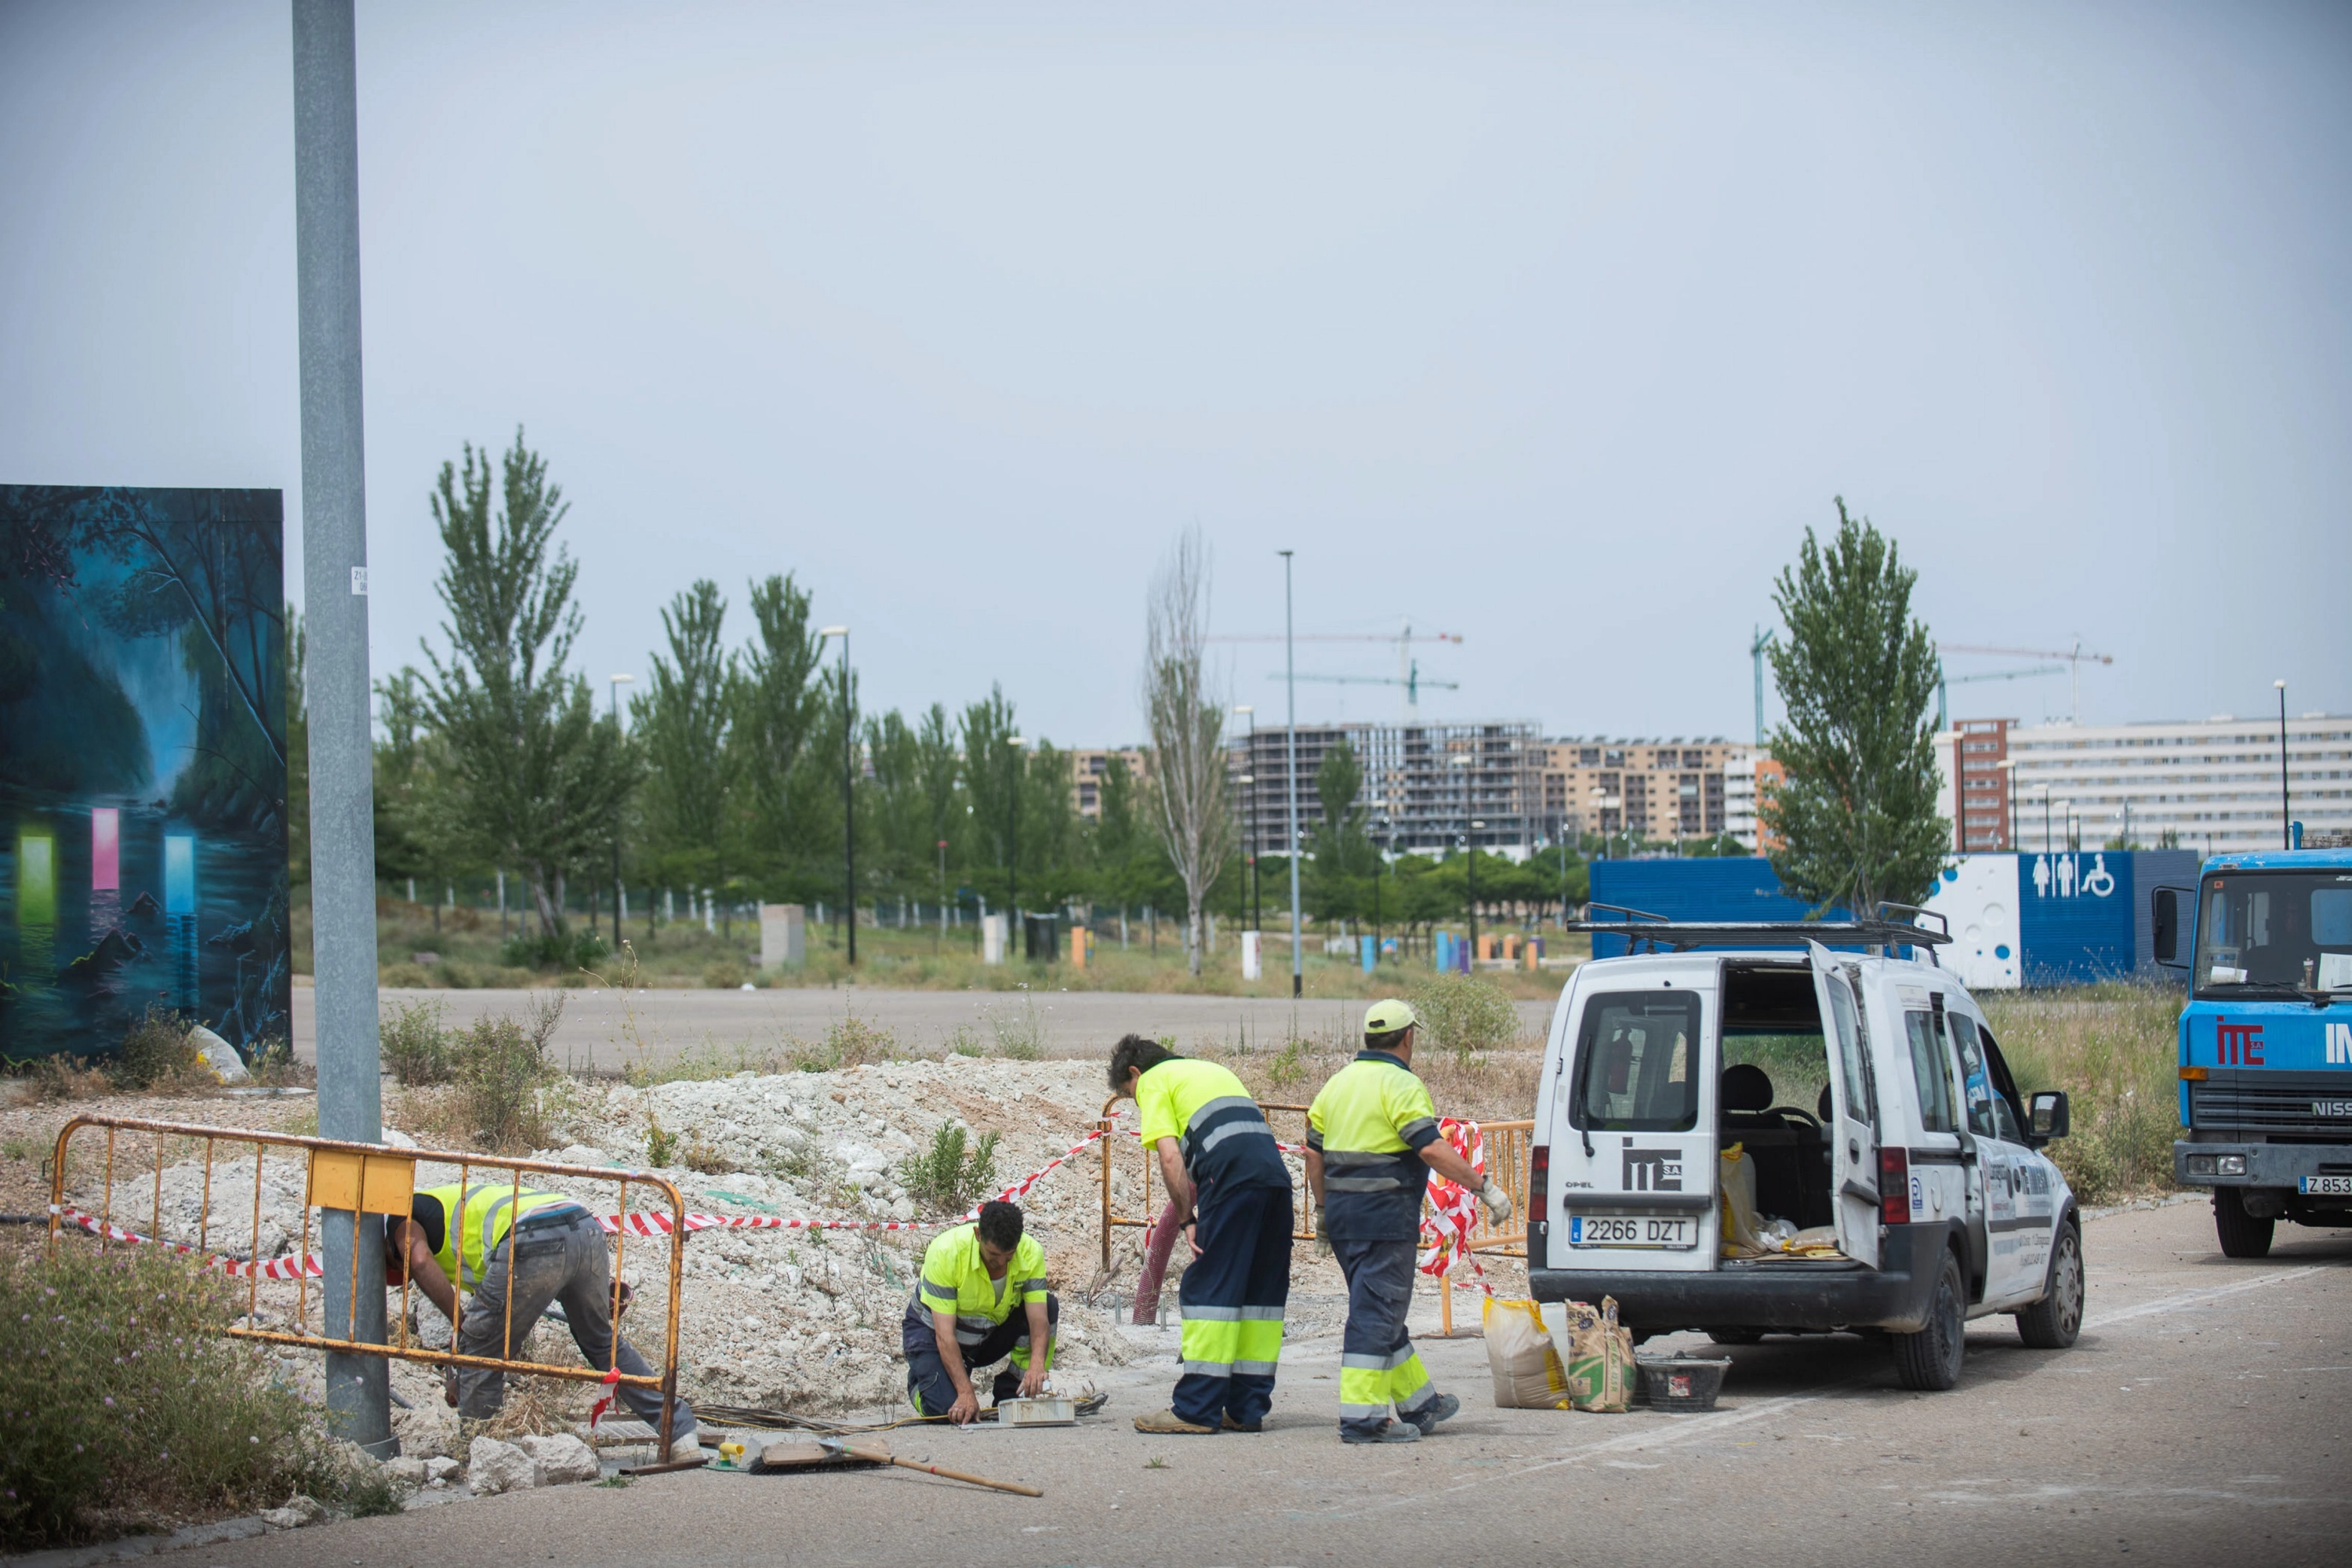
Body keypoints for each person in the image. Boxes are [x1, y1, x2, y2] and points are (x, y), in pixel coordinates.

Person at [1305, 999, 1512, 1445]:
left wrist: (1323, 1213)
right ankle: (1363, 1420)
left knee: (1379, 1310)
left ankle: (1421, 1403)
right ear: (1408, 1036)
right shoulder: (1401, 1084)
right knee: (1376, 1314)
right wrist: (1483, 1187)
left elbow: (1313, 1153)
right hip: (1384, 1219)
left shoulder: (1336, 1085)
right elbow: (1431, 1149)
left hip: (1344, 1221)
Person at [386, 1180, 699, 1461]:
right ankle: (680, 1431)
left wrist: (465, 1336)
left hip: (531, 1238)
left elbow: (420, 1260)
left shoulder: (400, 1215)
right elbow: (498, 1319)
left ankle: (483, 1454)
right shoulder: (455, 1209)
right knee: (602, 1342)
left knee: (482, 1352)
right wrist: (465, 1368)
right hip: (583, 1227)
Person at [1109, 1034, 1294, 1436]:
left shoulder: (1156, 1080)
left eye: (1131, 1095)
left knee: (1211, 1289)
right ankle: (1246, 1407)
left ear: (1135, 1073)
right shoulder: (1212, 1070)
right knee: (1260, 1295)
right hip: (1276, 1182)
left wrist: (1186, 1217)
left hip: (1230, 1183)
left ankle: (1196, 1408)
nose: (1139, 1102)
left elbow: (1170, 1155)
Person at [903, 1200, 1057, 1423]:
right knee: (948, 1412)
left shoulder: (1030, 1252)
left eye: (1009, 1257)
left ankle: (1013, 1392)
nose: (1000, 1264)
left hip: (983, 1336)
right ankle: (922, 1383)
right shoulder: (946, 1253)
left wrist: (1036, 1365)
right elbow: (944, 1336)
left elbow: (1038, 1320)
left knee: (1049, 1306)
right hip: (933, 1335)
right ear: (978, 1235)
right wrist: (965, 1393)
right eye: (993, 1256)